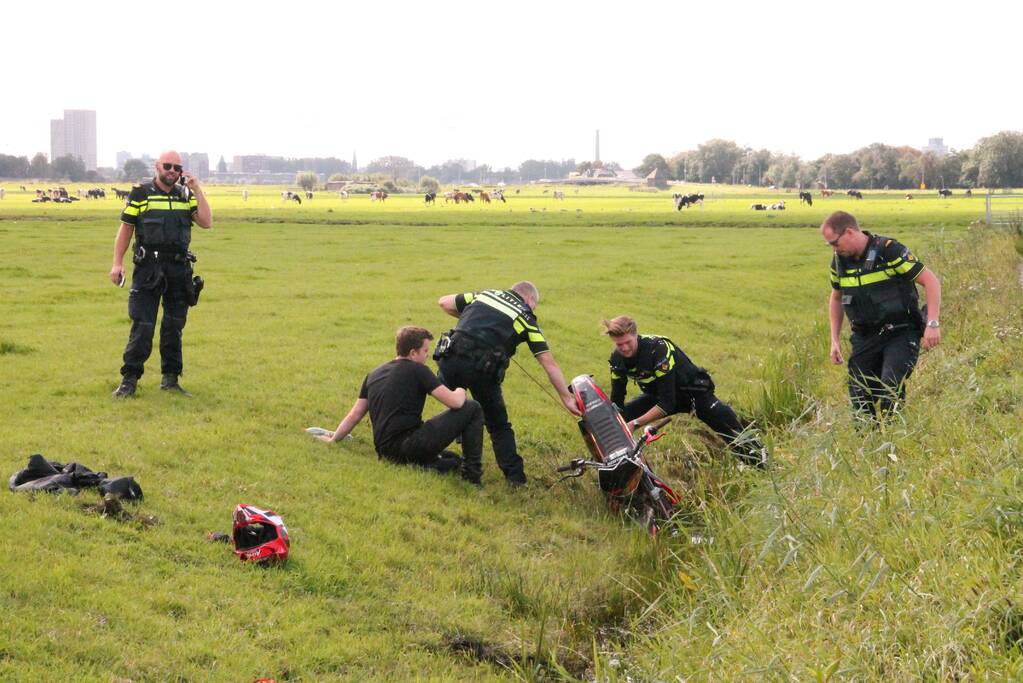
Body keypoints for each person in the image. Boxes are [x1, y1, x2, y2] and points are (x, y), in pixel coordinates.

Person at [435, 282, 580, 486]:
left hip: (449, 360)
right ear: (530, 300)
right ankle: (515, 479)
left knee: (456, 405)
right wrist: (566, 398)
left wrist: (472, 324)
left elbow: (444, 302)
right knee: (498, 425)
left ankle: (437, 451)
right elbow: (549, 363)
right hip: (481, 370)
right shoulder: (526, 316)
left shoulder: (485, 295)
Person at [318, 326, 485, 482]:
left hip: (385, 451)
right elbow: (455, 403)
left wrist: (334, 439)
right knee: (472, 408)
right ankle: (472, 474)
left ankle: (428, 465)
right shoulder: (418, 370)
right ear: (413, 353)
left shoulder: (374, 374)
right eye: (425, 350)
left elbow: (354, 415)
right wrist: (461, 389)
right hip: (409, 445)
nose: (428, 355)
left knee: (452, 459)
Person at [110, 151, 212, 397]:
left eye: (178, 167)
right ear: (157, 166)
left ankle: (171, 379)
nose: (173, 171)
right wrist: (117, 263)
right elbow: (126, 229)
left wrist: (198, 189)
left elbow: (206, 222)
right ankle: (129, 381)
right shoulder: (141, 194)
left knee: (173, 327)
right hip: (149, 269)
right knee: (143, 325)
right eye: (168, 166)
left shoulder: (185, 195)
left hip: (178, 269)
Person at [822, 211, 941, 421]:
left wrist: (932, 323)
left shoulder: (889, 251)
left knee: (890, 391)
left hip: (901, 333)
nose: (834, 249)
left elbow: (930, 281)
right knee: (860, 399)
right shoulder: (839, 263)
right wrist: (834, 340)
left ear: (849, 232)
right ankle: (869, 448)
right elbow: (836, 298)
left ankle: (896, 442)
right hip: (865, 337)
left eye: (835, 243)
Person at [602, 316, 766, 467]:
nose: (624, 348)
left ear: (636, 335)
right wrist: (616, 421)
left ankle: (764, 466)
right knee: (617, 419)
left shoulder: (658, 349)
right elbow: (617, 401)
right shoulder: (617, 360)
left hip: (692, 393)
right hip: (659, 395)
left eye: (628, 342)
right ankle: (618, 467)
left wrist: (636, 423)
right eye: (619, 344)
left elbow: (668, 403)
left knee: (728, 425)